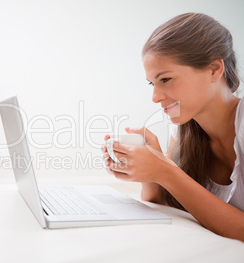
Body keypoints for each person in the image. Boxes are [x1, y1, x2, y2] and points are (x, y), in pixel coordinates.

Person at [102, 13, 244, 242]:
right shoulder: (184, 130)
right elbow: (161, 205)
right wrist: (152, 165)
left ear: (214, 70)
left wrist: (165, 170)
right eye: (152, 83)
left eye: (165, 79)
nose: (155, 97)